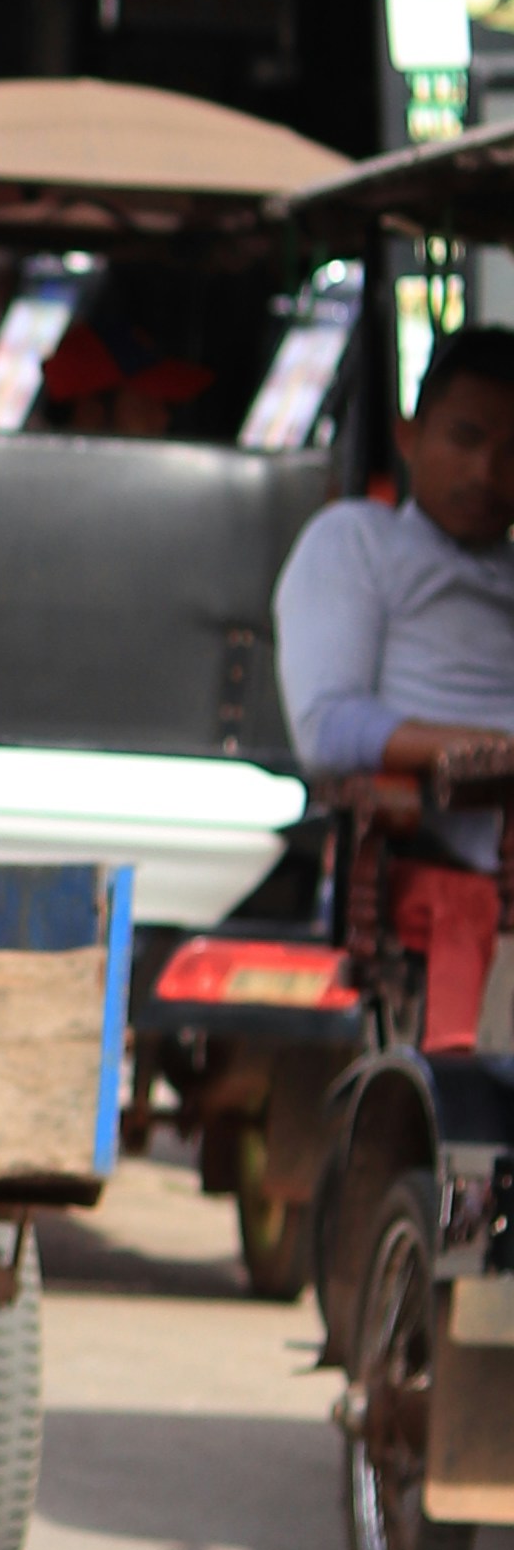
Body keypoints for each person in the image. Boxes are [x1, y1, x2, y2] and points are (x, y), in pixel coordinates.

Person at [279, 325, 514, 1032]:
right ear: (410, 437)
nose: (485, 472)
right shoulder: (357, 541)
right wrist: (487, 751)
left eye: (512, 454)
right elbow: (329, 728)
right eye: (465, 440)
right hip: (454, 829)